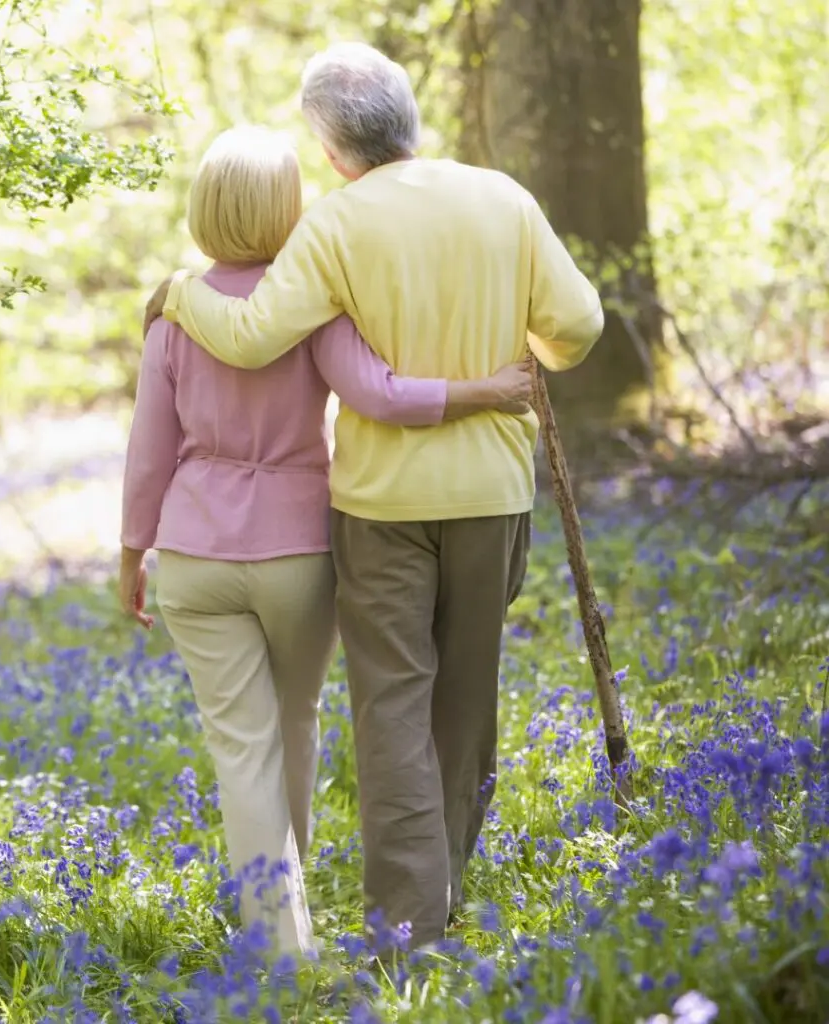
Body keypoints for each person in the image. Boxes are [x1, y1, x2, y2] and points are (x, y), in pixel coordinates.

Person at [143, 46, 605, 950]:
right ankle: (444, 895)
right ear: (411, 119)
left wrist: (179, 297)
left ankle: (406, 929)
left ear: (329, 149)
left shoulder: (334, 225)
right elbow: (579, 326)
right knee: (466, 700)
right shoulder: (503, 199)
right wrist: (525, 355)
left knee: (391, 706)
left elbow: (251, 336)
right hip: (491, 493)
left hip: (382, 505)